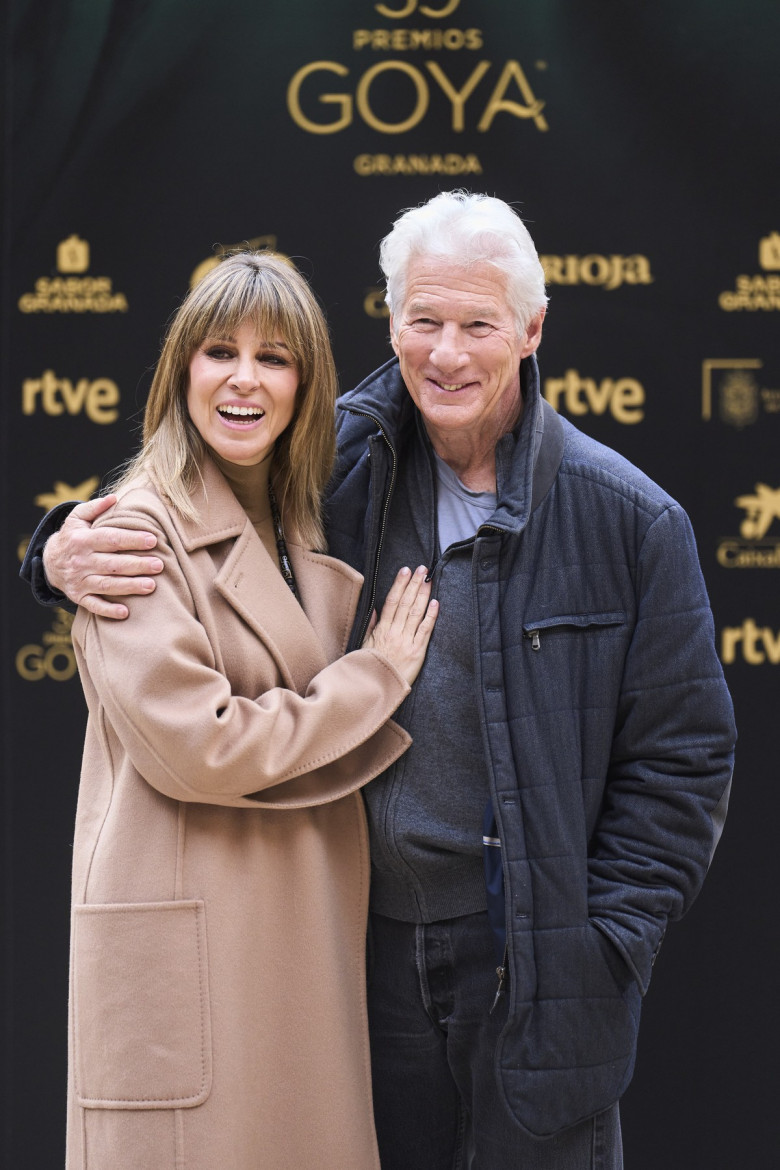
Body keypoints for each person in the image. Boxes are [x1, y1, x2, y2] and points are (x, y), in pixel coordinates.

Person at [24, 193, 736, 1170]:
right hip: (358, 959)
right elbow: (177, 493)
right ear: (390, 322)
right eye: (425, 321)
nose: (447, 354)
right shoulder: (337, 465)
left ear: (531, 330)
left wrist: (604, 945)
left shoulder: (628, 520)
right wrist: (57, 547)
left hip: (534, 968)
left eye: (479, 325)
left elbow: (685, 756)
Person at [24, 250, 439, 1170]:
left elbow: (434, 381)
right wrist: (375, 677)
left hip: (298, 954)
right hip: (202, 973)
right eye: (220, 351)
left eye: (276, 357)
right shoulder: (133, 531)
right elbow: (200, 748)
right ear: (182, 373)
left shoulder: (304, 523)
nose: (245, 378)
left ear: (306, 387)